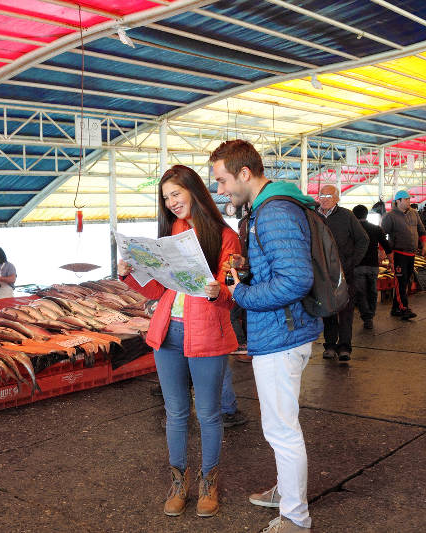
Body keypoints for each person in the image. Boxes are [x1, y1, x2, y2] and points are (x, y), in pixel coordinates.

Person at [118, 164, 239, 518]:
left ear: (194, 192)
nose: (171, 202)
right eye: (166, 197)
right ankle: (177, 482)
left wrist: (219, 291)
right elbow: (159, 287)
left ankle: (208, 483)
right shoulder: (173, 229)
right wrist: (131, 274)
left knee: (209, 414)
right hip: (167, 330)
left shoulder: (224, 236)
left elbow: (232, 294)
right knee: (175, 413)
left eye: (176, 194)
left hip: (207, 333)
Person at [213, 140, 320, 533]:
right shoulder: (271, 208)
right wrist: (248, 264)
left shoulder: (272, 213)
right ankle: (287, 492)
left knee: (281, 428)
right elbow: (282, 268)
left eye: (223, 181)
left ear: (245, 173)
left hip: (281, 335)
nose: (221, 190)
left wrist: (240, 292)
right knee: (280, 425)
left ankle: (295, 516)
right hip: (285, 331)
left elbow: (295, 279)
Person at [316, 185, 368, 362]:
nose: (324, 198)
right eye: (321, 195)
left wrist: (351, 262)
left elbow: (363, 240)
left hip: (345, 273)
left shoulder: (346, 216)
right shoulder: (313, 216)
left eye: (328, 195)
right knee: (327, 309)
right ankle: (330, 345)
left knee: (345, 310)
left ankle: (344, 347)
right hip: (322, 274)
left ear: (337, 198)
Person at [381, 190, 426, 321]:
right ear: (398, 201)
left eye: (409, 199)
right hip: (398, 253)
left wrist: (424, 246)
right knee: (400, 282)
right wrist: (382, 251)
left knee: (406, 281)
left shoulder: (414, 213)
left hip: (411, 253)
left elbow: (421, 230)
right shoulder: (389, 216)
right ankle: (403, 308)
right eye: (406, 199)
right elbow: (382, 234)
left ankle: (395, 308)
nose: (409, 201)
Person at [352, 205, 391, 330]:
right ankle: (371, 315)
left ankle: (367, 317)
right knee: (372, 291)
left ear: (353, 215)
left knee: (361, 293)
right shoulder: (375, 228)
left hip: (358, 266)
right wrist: (391, 261)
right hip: (373, 266)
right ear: (366, 214)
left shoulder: (352, 230)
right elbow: (387, 245)